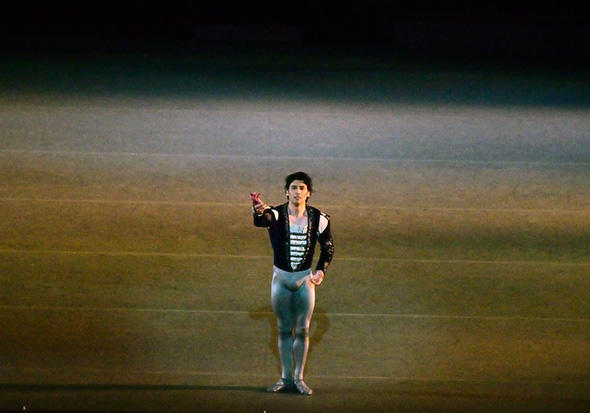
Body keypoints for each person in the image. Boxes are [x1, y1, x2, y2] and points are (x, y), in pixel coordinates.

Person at [251, 171, 334, 396]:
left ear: (308, 193)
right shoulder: (276, 214)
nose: (298, 192)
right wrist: (258, 210)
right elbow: (262, 221)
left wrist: (321, 271)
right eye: (294, 188)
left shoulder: (319, 218)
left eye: (302, 188)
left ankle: (298, 378)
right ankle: (285, 377)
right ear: (286, 192)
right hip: (281, 280)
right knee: (284, 329)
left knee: (304, 330)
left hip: (304, 280)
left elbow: (328, 248)